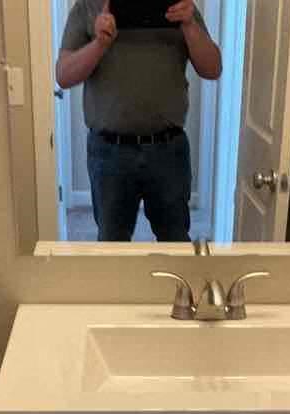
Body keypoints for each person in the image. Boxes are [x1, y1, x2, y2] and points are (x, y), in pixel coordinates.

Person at [56, 0, 222, 242]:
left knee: (175, 240)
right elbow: (64, 75)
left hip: (168, 150)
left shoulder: (179, 6)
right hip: (109, 152)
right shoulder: (87, 7)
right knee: (112, 245)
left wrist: (189, 24)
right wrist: (99, 44)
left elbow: (212, 68)